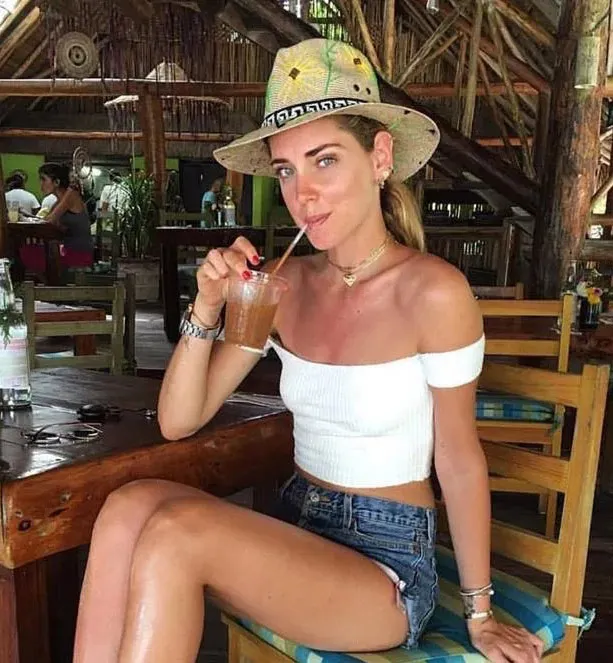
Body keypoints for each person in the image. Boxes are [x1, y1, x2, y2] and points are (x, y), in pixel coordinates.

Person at [73, 39, 544, 663]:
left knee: (175, 536)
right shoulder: (284, 286)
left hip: (388, 565)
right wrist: (207, 307)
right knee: (126, 508)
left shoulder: (433, 292)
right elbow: (179, 420)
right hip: (298, 529)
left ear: (380, 157)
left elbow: (458, 458)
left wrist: (480, 613)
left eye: (325, 161)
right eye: (287, 170)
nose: (303, 194)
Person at [20, 163, 93, 274]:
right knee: (28, 251)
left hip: (78, 253)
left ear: (57, 182)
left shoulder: (71, 194)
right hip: (68, 250)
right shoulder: (59, 200)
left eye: (43, 179)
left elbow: (50, 221)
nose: (41, 184)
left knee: (28, 253)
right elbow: (47, 221)